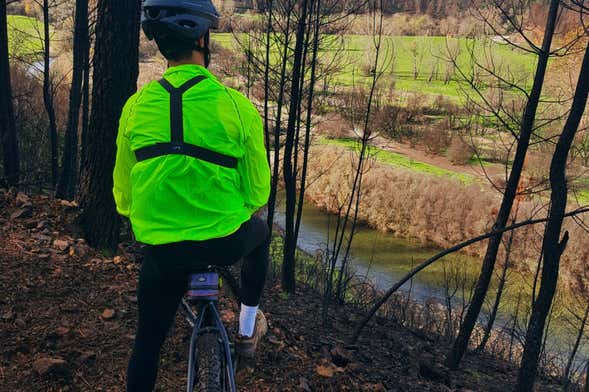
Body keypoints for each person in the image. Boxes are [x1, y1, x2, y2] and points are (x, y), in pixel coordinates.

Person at [112, 0, 271, 390]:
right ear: (203, 37)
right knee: (261, 232)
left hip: (164, 250)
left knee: (146, 345)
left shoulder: (135, 108)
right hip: (225, 242)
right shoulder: (237, 107)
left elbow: (124, 195)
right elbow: (257, 192)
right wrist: (230, 209)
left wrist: (153, 215)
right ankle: (248, 327)